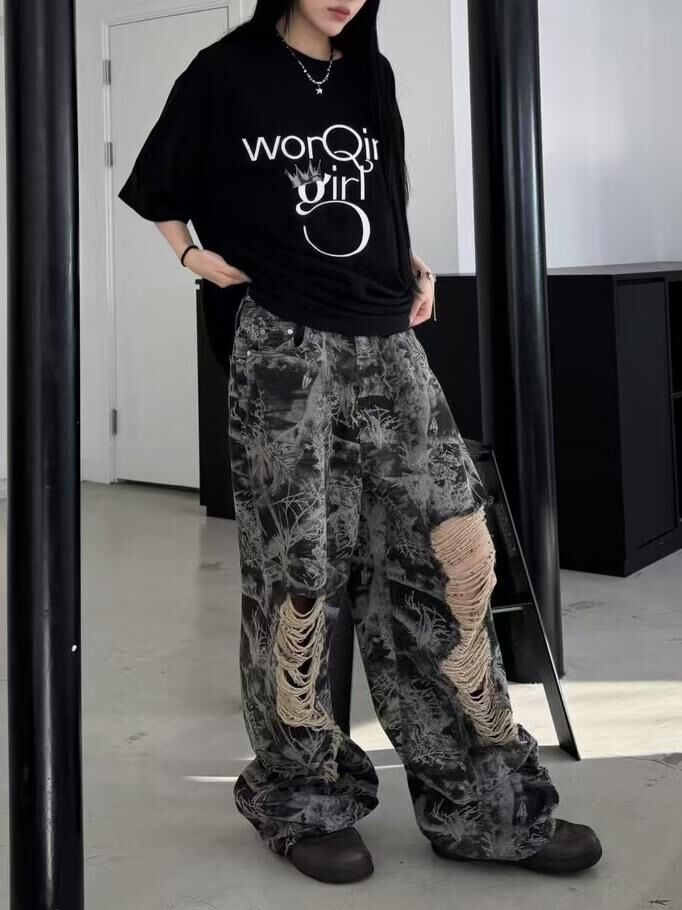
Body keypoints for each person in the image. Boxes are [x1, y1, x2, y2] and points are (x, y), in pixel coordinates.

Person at [118, 0, 602, 886]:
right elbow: (159, 183)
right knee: (296, 571)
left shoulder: (370, 74)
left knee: (448, 556)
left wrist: (405, 258)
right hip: (281, 341)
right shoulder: (226, 71)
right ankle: (304, 799)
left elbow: (378, 193)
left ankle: (483, 805)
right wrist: (190, 256)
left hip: (387, 336)